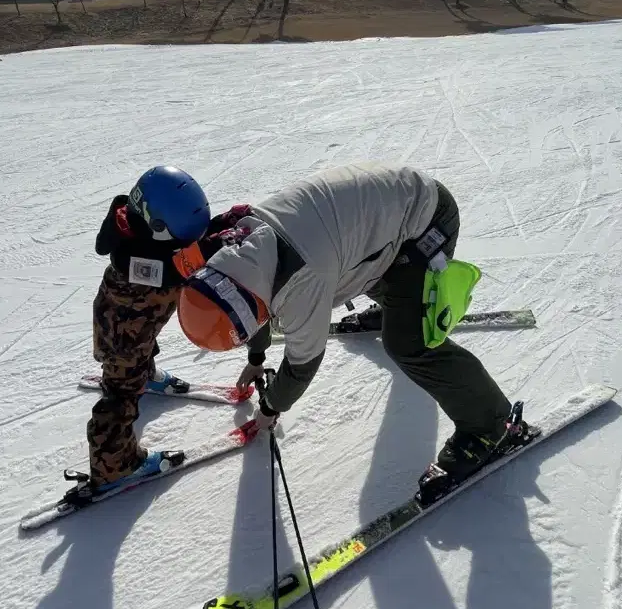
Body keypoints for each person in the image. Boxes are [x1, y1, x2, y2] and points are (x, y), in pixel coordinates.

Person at [176, 162, 525, 484]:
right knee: (359, 260)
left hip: (426, 219)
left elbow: (303, 363)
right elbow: (252, 300)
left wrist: (271, 406)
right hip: (382, 212)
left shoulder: (303, 282)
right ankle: (398, 303)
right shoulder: (236, 250)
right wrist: (256, 357)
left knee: (407, 343)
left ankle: (491, 425)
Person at [86, 165, 251, 489]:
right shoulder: (130, 259)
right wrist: (212, 246)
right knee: (121, 393)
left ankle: (145, 374)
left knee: (144, 347)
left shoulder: (142, 222)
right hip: (122, 335)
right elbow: (174, 270)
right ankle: (113, 466)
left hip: (140, 325)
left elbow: (187, 240)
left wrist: (223, 221)